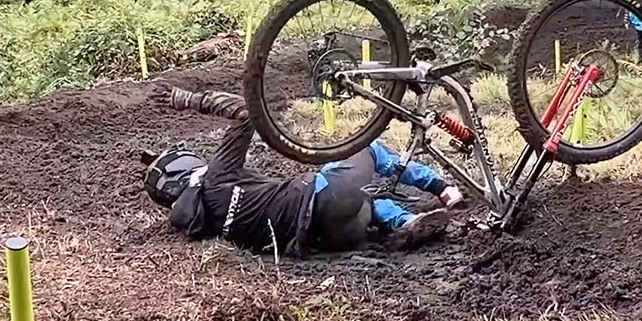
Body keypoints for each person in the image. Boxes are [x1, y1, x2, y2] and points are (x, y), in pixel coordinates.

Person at [142, 85, 464, 255]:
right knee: (367, 148)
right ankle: (440, 188)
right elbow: (244, 113)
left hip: (321, 240)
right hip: (323, 197)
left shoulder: (199, 221)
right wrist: (189, 99)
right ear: (185, 168)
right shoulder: (215, 177)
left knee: (364, 201)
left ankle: (407, 222)